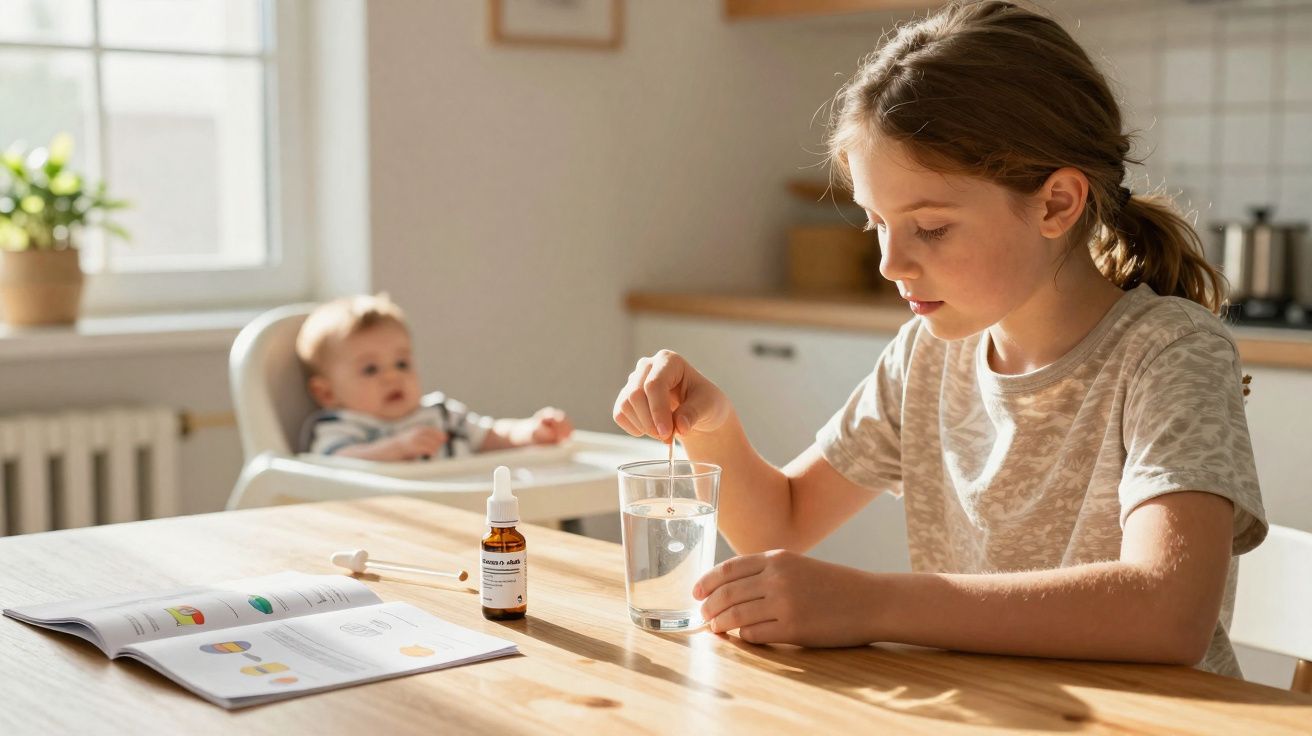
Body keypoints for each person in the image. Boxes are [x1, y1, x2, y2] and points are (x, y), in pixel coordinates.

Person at [612, 0, 1266, 677]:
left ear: (1056, 204)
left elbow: (1168, 612)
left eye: (929, 228)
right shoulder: (928, 354)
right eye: (876, 224)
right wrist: (711, 426)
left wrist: (875, 604)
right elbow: (781, 523)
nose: (890, 264)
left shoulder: (1169, 354)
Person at [296, 293, 572, 460]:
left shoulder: (441, 414)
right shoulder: (339, 427)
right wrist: (396, 449)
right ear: (327, 394)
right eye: (370, 369)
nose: (392, 376)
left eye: (402, 363)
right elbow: (336, 463)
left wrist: (529, 432)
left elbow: (492, 436)